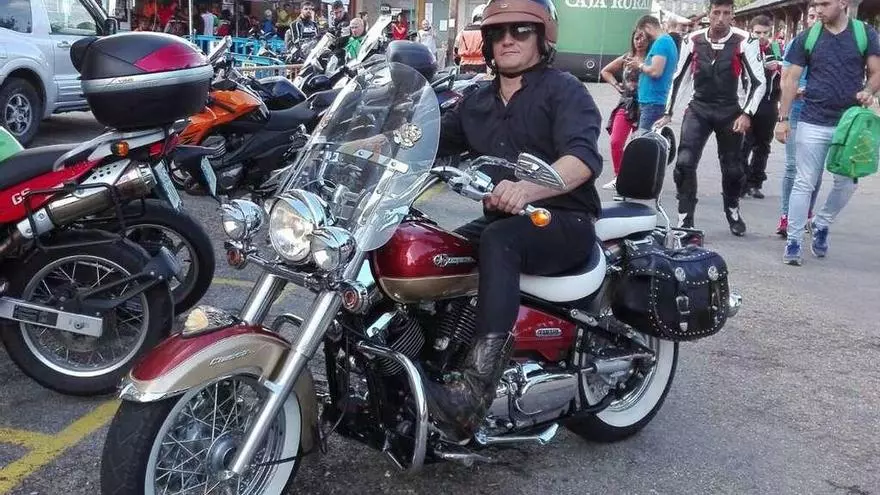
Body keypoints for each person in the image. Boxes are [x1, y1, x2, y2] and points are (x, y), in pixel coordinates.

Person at [429, 0, 603, 441]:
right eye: (497, 32)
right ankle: (435, 357)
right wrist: (366, 148)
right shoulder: (477, 100)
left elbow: (582, 158)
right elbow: (428, 141)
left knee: (499, 241)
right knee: (435, 251)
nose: (507, 40)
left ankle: (475, 391)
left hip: (563, 220)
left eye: (521, 30)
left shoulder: (564, 90)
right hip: (505, 221)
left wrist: (528, 188)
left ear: (542, 37)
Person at [775, 0, 880, 265]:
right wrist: (783, 119)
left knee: (847, 184)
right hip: (812, 120)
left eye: (825, 3)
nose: (819, 9)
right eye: (816, 4)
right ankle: (794, 241)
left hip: (849, 125)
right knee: (804, 182)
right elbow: (790, 79)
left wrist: (868, 90)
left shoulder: (864, 33)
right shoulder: (808, 37)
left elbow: (876, 71)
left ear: (842, 3)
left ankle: (821, 222)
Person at [655, 0, 765, 236]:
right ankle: (685, 217)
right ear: (709, 13)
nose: (721, 18)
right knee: (684, 163)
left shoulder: (746, 41)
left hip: (730, 110)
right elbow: (679, 77)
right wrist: (668, 111)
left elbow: (758, 82)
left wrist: (747, 113)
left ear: (732, 15)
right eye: (716, 12)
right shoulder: (692, 40)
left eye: (726, 13)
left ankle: (732, 209)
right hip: (699, 108)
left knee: (733, 169)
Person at [777, 6, 821, 237]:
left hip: (821, 112)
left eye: (817, 16)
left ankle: (806, 212)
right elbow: (785, 79)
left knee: (816, 169)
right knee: (793, 166)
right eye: (811, 16)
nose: (815, 20)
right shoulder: (798, 43)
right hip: (796, 110)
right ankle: (787, 215)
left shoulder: (833, 45)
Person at [600, 28, 650, 191]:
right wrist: (616, 85)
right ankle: (619, 177)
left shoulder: (652, 59)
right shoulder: (627, 58)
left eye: (643, 38)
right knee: (615, 141)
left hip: (645, 106)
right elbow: (605, 71)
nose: (639, 41)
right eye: (637, 38)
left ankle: (639, 180)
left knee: (639, 145)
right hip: (626, 104)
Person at [741, 15, 783, 200]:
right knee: (743, 144)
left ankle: (755, 183)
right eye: (757, 32)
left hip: (768, 102)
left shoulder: (776, 49)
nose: (762, 36)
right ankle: (741, 182)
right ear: (751, 32)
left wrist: (778, 66)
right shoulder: (744, 48)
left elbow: (788, 71)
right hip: (748, 102)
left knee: (763, 146)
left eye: (766, 32)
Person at [629, 15, 678, 132]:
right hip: (652, 101)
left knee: (644, 139)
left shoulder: (662, 42)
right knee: (645, 137)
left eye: (643, 32)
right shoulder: (666, 41)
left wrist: (639, 65)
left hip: (653, 102)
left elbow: (656, 71)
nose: (644, 37)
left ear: (648, 27)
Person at [455, 5, 487, 73]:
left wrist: (458, 61)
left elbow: (455, 51)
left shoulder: (462, 32)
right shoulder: (487, 32)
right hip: (482, 65)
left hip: (464, 66)